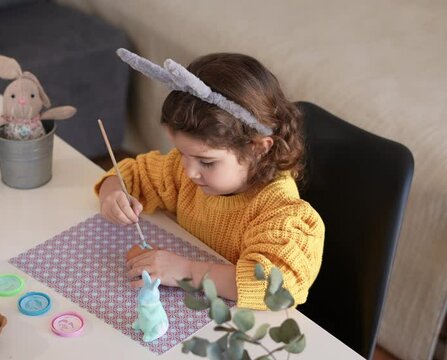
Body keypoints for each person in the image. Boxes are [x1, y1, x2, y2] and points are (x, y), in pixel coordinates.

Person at [94, 49, 324, 310]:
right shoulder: (184, 172)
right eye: (182, 153)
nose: (189, 171)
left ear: (257, 148)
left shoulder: (279, 214)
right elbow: (134, 174)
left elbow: (277, 287)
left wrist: (186, 271)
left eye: (206, 162)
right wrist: (113, 194)